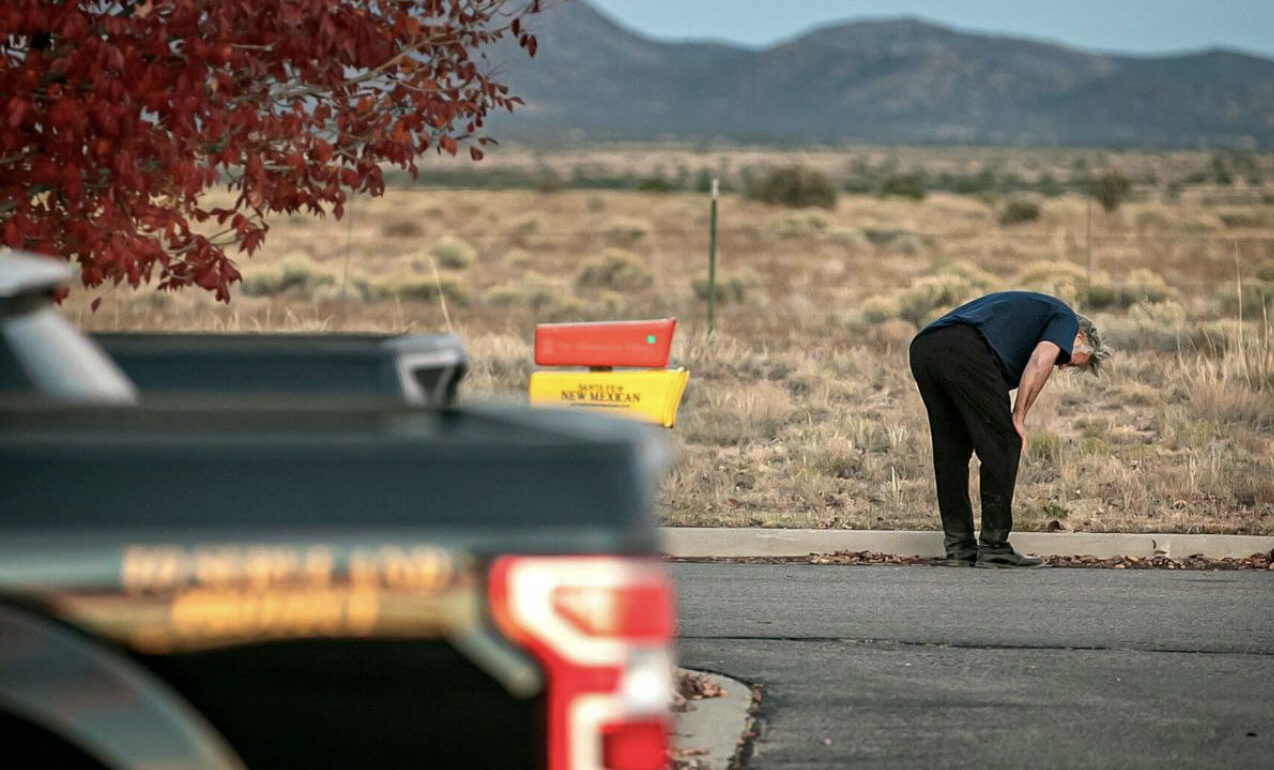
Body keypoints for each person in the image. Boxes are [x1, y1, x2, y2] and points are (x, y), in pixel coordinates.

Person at [908, 291, 1110, 568]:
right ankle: (994, 548)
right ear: (1079, 338)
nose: (1061, 366)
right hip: (964, 348)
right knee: (1004, 443)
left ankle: (959, 548)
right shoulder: (1065, 319)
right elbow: (1040, 361)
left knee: (951, 452)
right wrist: (1018, 416)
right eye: (1069, 360)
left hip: (925, 347)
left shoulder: (1029, 320)